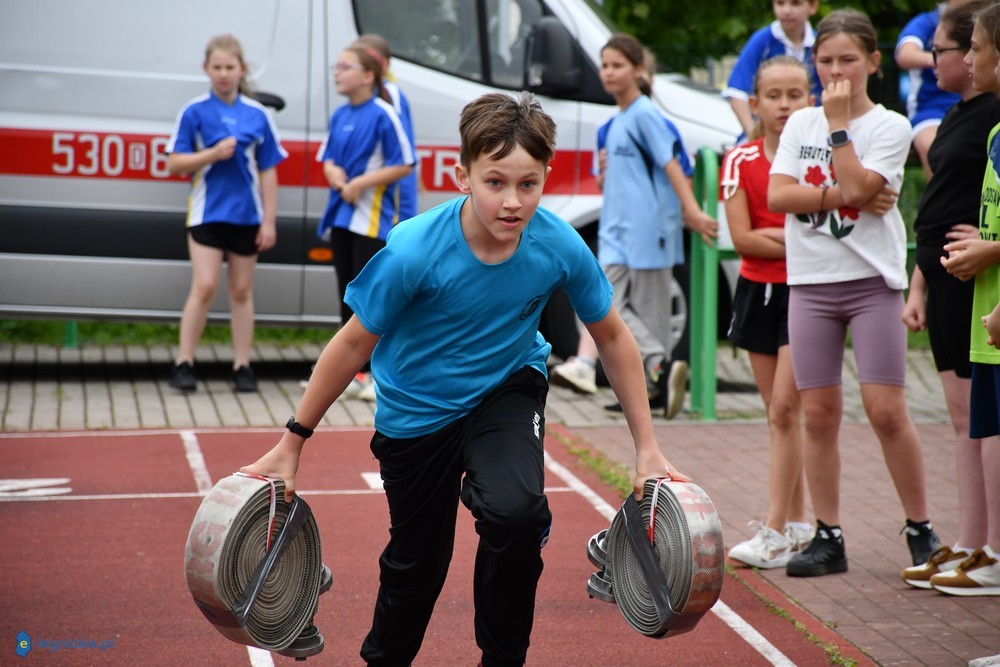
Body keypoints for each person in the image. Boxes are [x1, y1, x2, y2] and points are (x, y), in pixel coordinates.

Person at [240, 91, 690, 666]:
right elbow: (352, 343)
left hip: (507, 389)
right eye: (495, 182)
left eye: (528, 184)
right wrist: (292, 441)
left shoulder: (558, 244)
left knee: (516, 516)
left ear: (546, 179)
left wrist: (647, 448)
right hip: (417, 411)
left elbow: (613, 337)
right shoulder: (414, 251)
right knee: (416, 565)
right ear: (463, 177)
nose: (513, 201)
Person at [768, 8, 941, 577]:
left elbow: (864, 182)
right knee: (818, 413)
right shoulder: (799, 124)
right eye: (825, 60)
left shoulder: (890, 125)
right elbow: (779, 196)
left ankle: (921, 528)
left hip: (872, 284)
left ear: (872, 61)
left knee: (886, 409)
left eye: (848, 59)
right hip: (811, 282)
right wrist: (844, 196)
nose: (835, 71)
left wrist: (840, 128)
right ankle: (828, 534)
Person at [553, 34, 715, 418]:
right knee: (603, 301)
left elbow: (672, 165)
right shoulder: (612, 124)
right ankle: (656, 365)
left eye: (618, 65)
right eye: (604, 65)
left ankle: (653, 386)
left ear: (638, 70)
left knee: (648, 310)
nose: (608, 72)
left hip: (648, 230)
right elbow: (612, 181)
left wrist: (692, 211)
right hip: (615, 231)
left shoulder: (644, 114)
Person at [900, 0, 1000, 590]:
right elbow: (940, 204)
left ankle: (985, 547)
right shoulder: (961, 114)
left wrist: (987, 244)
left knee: (979, 419)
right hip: (945, 275)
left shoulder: (993, 111)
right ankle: (970, 541)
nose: (935, 59)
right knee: (963, 417)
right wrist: (919, 281)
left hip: (974, 278)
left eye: (942, 49)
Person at [722, 56, 814, 569]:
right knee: (779, 415)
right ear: (755, 104)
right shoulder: (740, 160)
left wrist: (776, 236)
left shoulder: (818, 160)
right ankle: (798, 524)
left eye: (794, 94)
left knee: (784, 409)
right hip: (757, 292)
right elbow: (743, 239)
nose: (784, 105)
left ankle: (776, 530)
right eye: (774, 96)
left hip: (807, 292)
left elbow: (822, 233)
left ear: (810, 99)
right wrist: (796, 235)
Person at [166, 34, 287, 394]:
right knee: (204, 286)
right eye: (216, 67)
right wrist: (211, 154)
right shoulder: (194, 111)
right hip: (207, 214)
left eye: (229, 67)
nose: (223, 73)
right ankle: (184, 362)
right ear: (206, 69)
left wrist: (269, 221)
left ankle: (242, 366)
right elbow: (174, 163)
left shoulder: (258, 114)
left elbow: (268, 170)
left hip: (247, 216)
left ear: (241, 69)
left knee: (241, 291)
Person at [934, 0, 1000, 598]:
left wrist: (991, 248)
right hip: (979, 303)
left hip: (991, 307)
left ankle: (993, 553)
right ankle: (982, 546)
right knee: (978, 426)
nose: (969, 60)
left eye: (974, 48)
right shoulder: (989, 129)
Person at [313, 42, 415, 401]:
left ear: (369, 76)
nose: (337, 73)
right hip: (341, 217)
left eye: (345, 67)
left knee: (372, 298)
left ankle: (377, 374)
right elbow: (326, 157)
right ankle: (353, 374)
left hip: (372, 221)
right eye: (336, 67)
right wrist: (332, 172)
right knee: (347, 293)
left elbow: (405, 163)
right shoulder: (340, 114)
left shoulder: (384, 113)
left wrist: (360, 183)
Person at [894, 0, 972, 180]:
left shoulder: (986, 20)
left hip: (976, 102)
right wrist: (941, 58)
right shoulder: (929, 21)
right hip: (930, 109)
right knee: (937, 149)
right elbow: (904, 54)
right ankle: (941, 194)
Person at [724, 0, 821, 139]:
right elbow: (736, 92)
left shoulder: (819, 44)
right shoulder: (762, 41)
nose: (786, 10)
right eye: (780, 3)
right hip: (765, 134)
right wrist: (753, 135)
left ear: (813, 6)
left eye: (795, 3)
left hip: (809, 135)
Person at [354, 33, 419, 223]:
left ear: (381, 65)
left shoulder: (391, 95)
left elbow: (402, 156)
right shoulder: (366, 96)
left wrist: (404, 211)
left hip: (394, 198)